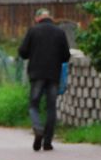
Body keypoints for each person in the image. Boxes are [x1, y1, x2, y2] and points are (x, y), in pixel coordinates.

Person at [17, 8, 69, 151]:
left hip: (36, 75)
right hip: (53, 75)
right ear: (50, 17)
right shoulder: (60, 32)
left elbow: (23, 52)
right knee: (51, 107)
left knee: (33, 105)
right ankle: (47, 142)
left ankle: (38, 128)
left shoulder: (33, 31)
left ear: (37, 18)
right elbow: (66, 56)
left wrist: (33, 54)